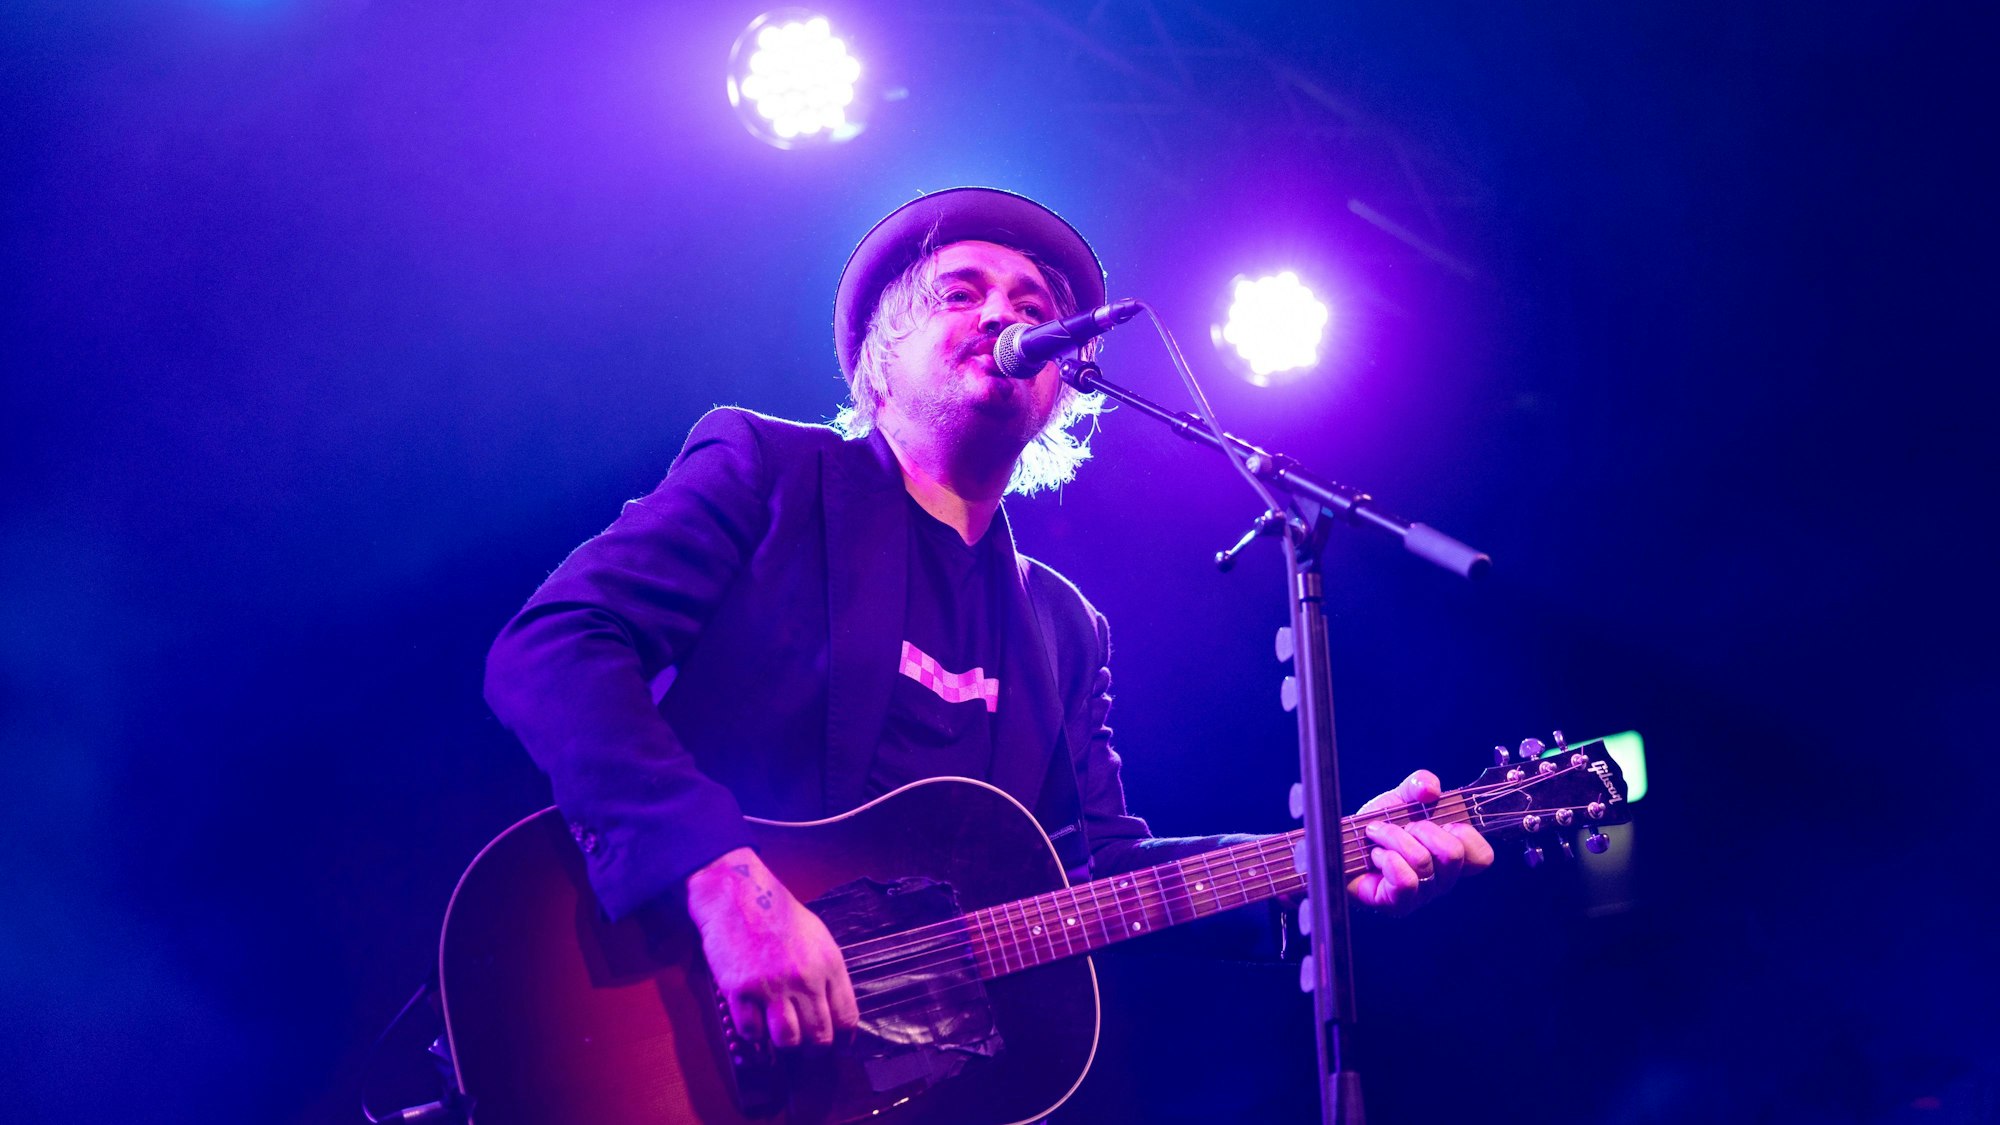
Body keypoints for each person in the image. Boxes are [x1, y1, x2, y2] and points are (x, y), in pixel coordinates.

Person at [483, 187, 1494, 1060]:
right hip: (651, 1016)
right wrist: (722, 885)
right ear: (879, 357)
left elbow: (1097, 873)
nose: (1002, 313)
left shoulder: (1063, 629)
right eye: (959, 292)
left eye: (1033, 306)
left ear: (1062, 381)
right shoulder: (768, 475)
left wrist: (1322, 858)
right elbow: (557, 644)